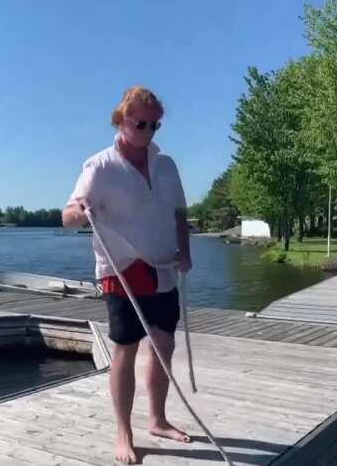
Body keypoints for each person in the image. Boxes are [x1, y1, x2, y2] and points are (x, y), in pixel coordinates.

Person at [62, 86, 192, 464]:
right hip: (122, 271)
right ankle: (124, 432)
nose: (148, 131)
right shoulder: (99, 166)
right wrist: (80, 211)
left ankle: (158, 420)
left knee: (164, 345)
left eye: (155, 125)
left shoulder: (166, 165)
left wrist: (185, 250)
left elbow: (179, 213)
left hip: (163, 269)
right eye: (141, 124)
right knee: (126, 349)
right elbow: (68, 216)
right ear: (121, 120)